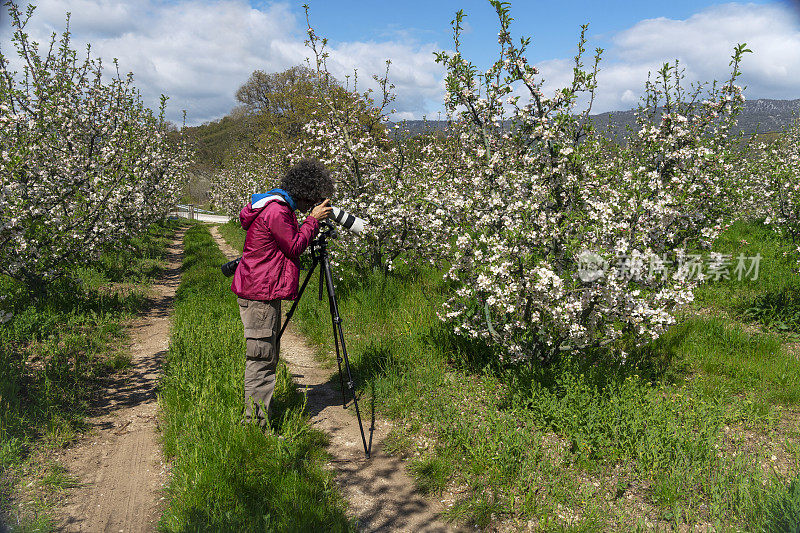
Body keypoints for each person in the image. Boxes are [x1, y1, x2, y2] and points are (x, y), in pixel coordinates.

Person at [231, 158, 333, 427]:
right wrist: (311, 222)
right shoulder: (277, 211)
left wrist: (308, 223)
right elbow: (294, 246)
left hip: (261, 291)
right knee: (262, 358)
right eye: (313, 199)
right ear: (305, 192)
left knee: (265, 355)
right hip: (261, 294)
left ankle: (258, 418)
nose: (311, 206)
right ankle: (255, 425)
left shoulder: (276, 207)